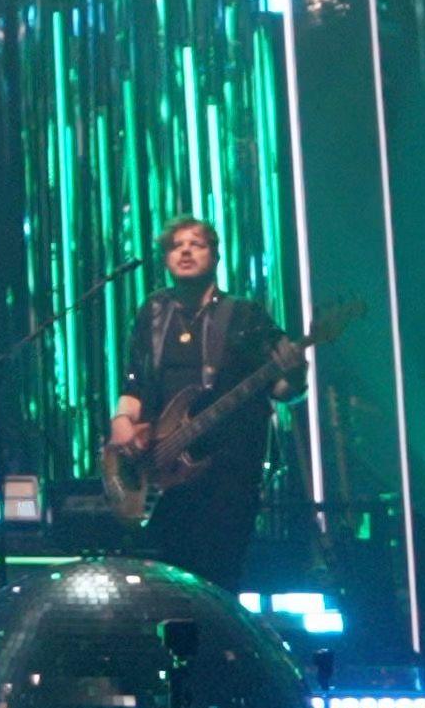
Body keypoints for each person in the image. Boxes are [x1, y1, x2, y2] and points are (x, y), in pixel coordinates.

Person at [107, 216, 300, 593]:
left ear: (215, 256)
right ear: (165, 258)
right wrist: (122, 420)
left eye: (196, 244)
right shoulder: (154, 312)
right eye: (176, 245)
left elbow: (282, 390)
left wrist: (295, 374)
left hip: (228, 474)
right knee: (167, 585)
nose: (185, 251)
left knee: (218, 580)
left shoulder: (245, 315)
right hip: (165, 473)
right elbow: (136, 380)